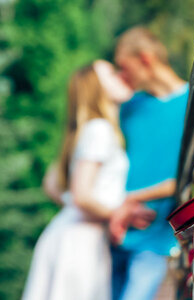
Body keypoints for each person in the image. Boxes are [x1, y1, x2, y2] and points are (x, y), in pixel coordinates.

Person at [22, 60, 150, 300]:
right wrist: (118, 213)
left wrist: (81, 206)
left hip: (76, 235)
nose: (120, 76)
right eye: (111, 73)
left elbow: (51, 185)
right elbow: (81, 195)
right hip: (78, 243)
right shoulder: (99, 130)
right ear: (96, 87)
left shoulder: (88, 129)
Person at [109, 27, 189, 300]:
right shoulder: (129, 107)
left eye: (123, 66)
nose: (122, 75)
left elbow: (189, 174)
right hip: (115, 234)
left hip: (156, 240)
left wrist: (129, 199)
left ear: (145, 59)